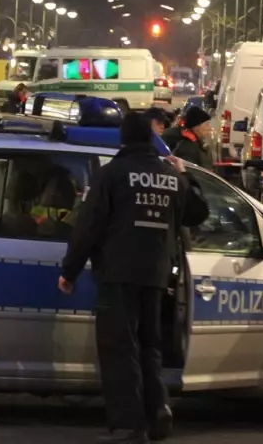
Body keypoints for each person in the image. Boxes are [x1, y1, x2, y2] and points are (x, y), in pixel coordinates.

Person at [59, 112, 209, 444]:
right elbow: (199, 213)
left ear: (123, 139)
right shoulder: (170, 176)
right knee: (149, 345)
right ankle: (158, 412)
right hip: (156, 275)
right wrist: (185, 176)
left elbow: (89, 226)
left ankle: (130, 425)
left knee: (119, 347)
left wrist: (70, 270)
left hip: (118, 273)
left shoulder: (111, 174)